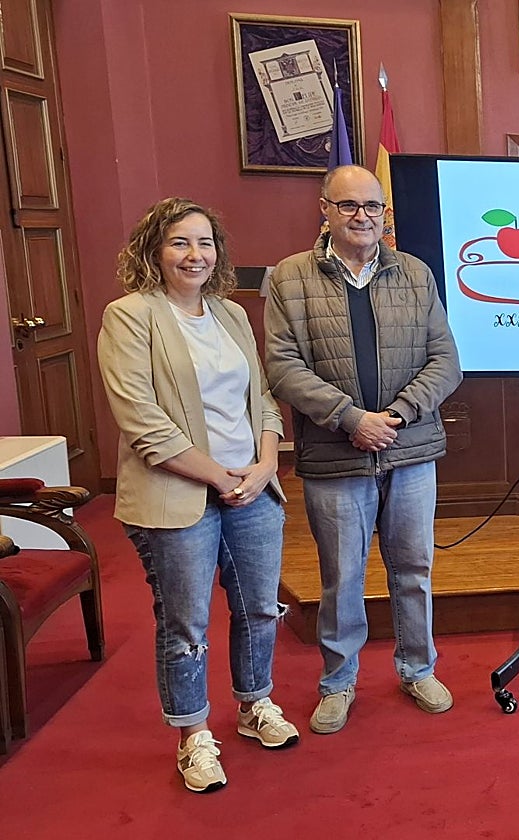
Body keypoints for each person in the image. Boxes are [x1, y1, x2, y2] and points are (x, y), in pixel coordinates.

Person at [97, 198, 299, 794]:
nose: (195, 255)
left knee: (261, 608)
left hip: (251, 487)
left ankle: (254, 704)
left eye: (205, 242)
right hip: (177, 493)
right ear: (154, 251)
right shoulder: (130, 316)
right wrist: (220, 476)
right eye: (180, 243)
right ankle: (193, 736)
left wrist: (264, 464)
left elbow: (261, 397)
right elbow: (142, 420)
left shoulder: (232, 315)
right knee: (186, 623)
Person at [265, 164, 463, 735]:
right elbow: (282, 367)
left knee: (414, 569)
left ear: (385, 214)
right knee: (341, 576)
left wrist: (397, 415)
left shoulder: (416, 274)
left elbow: (445, 360)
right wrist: (351, 419)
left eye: (373, 207)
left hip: (410, 448)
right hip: (335, 456)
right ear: (324, 210)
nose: (363, 217)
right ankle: (338, 682)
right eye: (349, 206)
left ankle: (417, 668)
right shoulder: (289, 279)